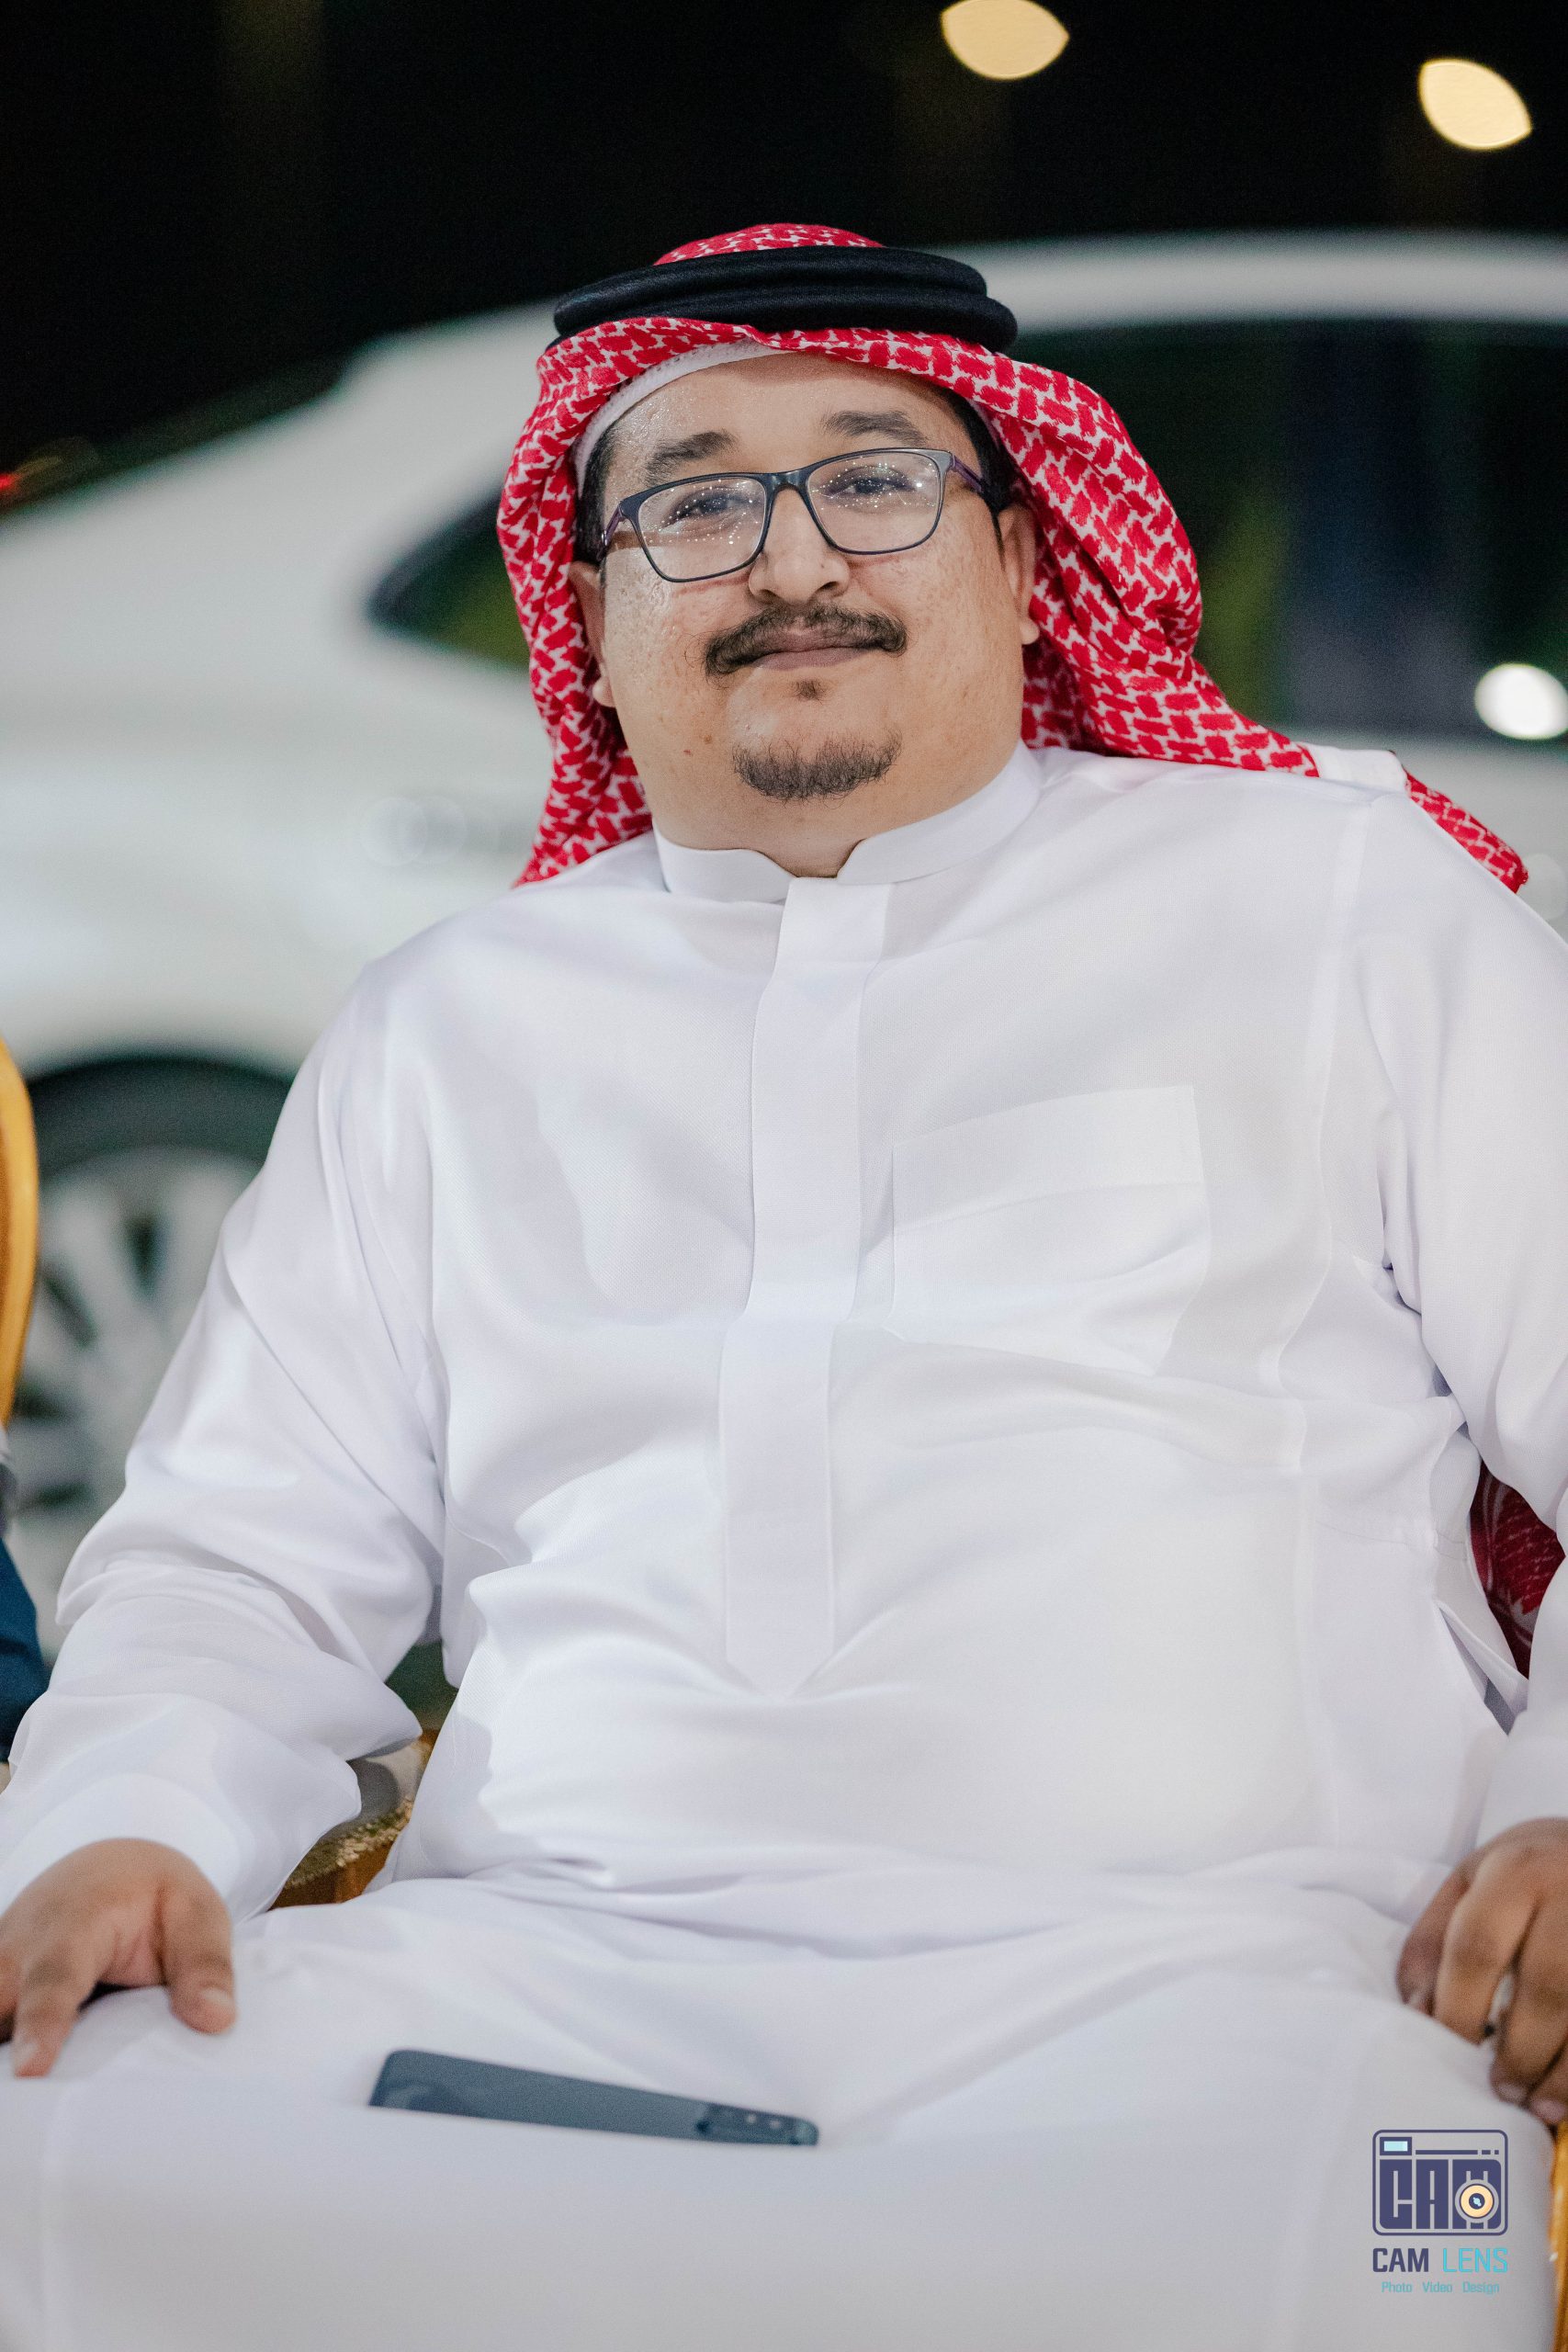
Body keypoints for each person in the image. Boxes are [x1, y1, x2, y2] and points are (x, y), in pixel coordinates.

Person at [0, 222, 1565, 2349]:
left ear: (1019, 560)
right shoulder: (452, 1024)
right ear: (588, 614)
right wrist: (122, 1821)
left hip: (1214, 1991)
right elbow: (237, 1560)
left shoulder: (1334, 910)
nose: (790, 555)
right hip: (539, 1975)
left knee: (1372, 2238)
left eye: (873, 478)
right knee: (54, 2142)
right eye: (694, 503)